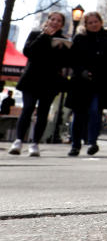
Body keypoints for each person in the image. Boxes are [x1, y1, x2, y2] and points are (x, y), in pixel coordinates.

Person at [8, 12, 69, 157]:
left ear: (62, 24)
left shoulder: (63, 41)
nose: (55, 22)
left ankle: (35, 143)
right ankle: (18, 141)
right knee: (28, 108)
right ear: (47, 21)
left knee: (43, 112)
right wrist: (44, 37)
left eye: (59, 20)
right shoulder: (36, 34)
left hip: (50, 81)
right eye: (52, 19)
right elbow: (28, 52)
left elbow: (66, 62)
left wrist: (62, 50)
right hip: (32, 79)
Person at [66, 12, 107, 157]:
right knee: (78, 114)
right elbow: (72, 59)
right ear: (85, 25)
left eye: (95, 21)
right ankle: (75, 145)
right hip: (81, 83)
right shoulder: (80, 38)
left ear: (101, 21)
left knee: (95, 112)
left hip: (102, 83)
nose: (93, 24)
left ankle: (92, 142)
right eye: (90, 22)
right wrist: (82, 71)